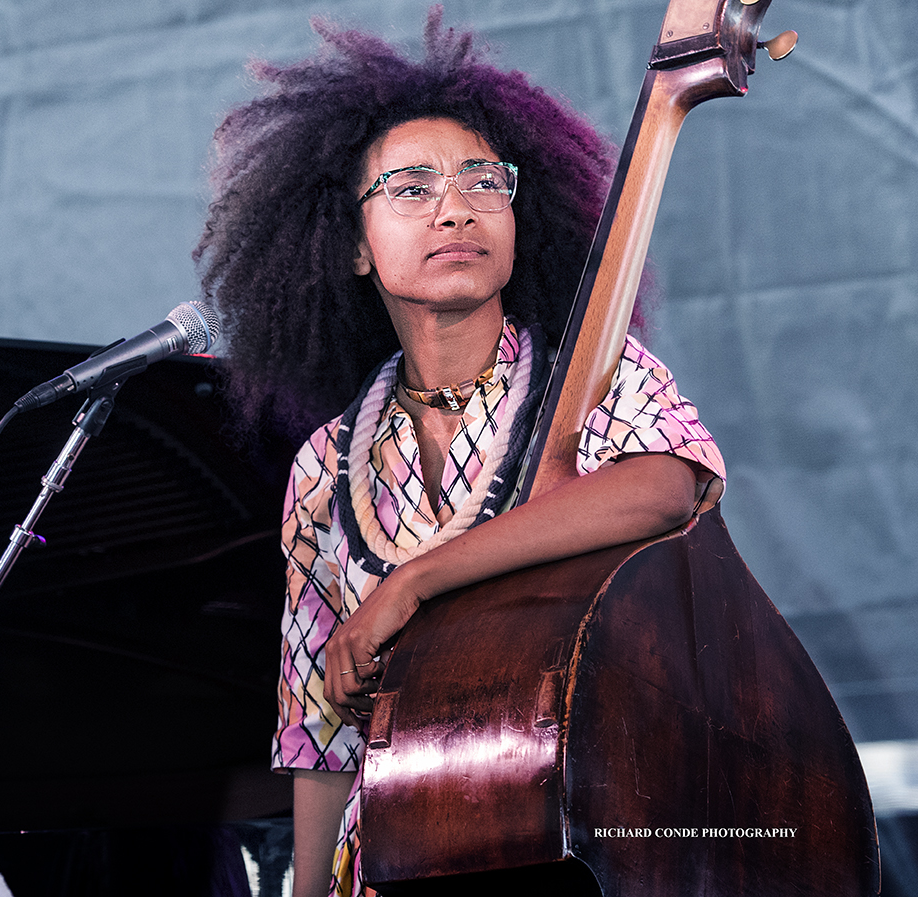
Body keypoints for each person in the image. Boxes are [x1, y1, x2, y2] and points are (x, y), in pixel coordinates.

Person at [194, 9, 725, 897]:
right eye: (410, 187)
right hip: (389, 861)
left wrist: (412, 580)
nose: (455, 206)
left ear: (522, 215)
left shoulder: (588, 377)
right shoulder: (326, 466)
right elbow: (320, 733)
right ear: (354, 247)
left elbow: (665, 484)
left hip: (579, 846)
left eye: (485, 180)